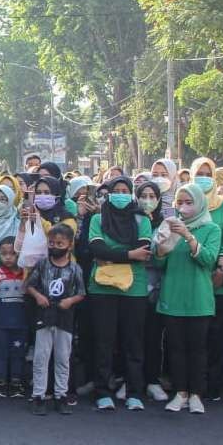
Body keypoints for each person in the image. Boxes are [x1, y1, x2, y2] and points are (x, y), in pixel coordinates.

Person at [154, 184, 221, 414]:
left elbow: (209, 259)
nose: (183, 207)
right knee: (175, 348)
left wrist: (188, 236)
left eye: (188, 202)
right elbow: (159, 262)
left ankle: (196, 394)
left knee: (198, 349)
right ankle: (180, 392)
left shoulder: (211, 228)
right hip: (173, 296)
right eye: (179, 203)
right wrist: (162, 248)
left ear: (199, 203)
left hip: (198, 298)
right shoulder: (168, 226)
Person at [88, 176, 153, 411]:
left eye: (125, 190)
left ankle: (134, 391)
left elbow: (144, 251)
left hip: (134, 289)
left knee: (133, 343)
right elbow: (95, 248)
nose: (121, 194)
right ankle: (102, 391)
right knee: (104, 342)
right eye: (116, 190)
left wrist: (111, 254)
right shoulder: (97, 218)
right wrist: (128, 255)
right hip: (102, 287)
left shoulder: (142, 219)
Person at [189, 157, 223, 401]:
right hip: (192, 280)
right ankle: (190, 383)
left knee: (217, 334)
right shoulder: (186, 201)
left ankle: (214, 384)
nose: (204, 177)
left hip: (217, 283)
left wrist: (220, 269)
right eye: (200, 172)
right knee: (194, 336)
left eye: (208, 173)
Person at [27, 223, 86, 416]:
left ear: (69, 245)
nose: (55, 247)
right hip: (44, 315)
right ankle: (38, 396)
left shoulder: (75, 268)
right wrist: (38, 296)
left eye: (60, 243)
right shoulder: (43, 264)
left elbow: (81, 292)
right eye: (51, 243)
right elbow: (30, 285)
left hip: (65, 316)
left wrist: (70, 300)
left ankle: (61, 395)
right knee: (41, 357)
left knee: (63, 357)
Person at [136, 179, 169, 403]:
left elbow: (162, 258)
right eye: (143, 195)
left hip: (156, 289)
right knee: (132, 337)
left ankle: (152, 381)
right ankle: (132, 381)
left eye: (152, 196)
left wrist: (156, 255)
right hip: (133, 287)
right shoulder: (129, 220)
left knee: (153, 337)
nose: (148, 200)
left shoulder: (165, 223)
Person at [0, 238, 27, 399]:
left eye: (12, 254)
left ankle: (16, 382)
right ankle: (0, 382)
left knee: (18, 353)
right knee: (0, 353)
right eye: (4, 254)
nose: (8, 257)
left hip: (21, 324)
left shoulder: (26, 274)